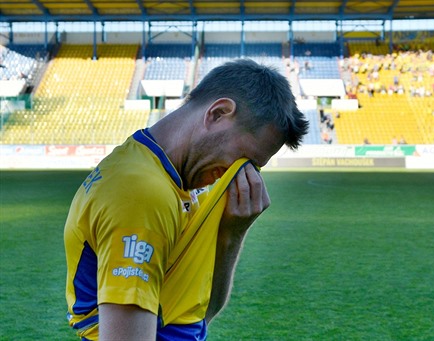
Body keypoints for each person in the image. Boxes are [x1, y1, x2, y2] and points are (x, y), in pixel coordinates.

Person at [64, 59, 309, 341]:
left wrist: (231, 234)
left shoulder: (181, 180)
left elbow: (198, 314)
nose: (241, 173)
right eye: (245, 159)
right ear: (218, 113)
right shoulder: (140, 194)